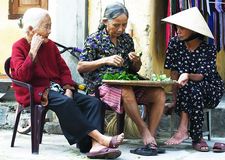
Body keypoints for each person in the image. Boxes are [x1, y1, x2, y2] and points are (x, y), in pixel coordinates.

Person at [10, 8, 124, 159]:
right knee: (65, 102)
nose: (50, 30)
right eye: (46, 26)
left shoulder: (50, 46)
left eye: (50, 26)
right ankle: (100, 140)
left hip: (57, 89)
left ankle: (90, 145)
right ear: (31, 29)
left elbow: (64, 70)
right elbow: (21, 76)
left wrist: (69, 88)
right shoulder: (19, 46)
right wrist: (32, 52)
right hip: (36, 91)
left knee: (94, 102)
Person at [77, 2, 166, 156]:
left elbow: (134, 69)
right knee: (125, 90)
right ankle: (144, 131)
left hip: (126, 84)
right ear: (105, 21)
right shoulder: (94, 40)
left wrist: (136, 61)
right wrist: (105, 60)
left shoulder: (126, 40)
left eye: (124, 25)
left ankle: (150, 142)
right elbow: (81, 67)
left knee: (159, 93)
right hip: (101, 86)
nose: (121, 29)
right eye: (116, 25)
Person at [162, 7, 224, 152]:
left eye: (182, 28)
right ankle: (197, 138)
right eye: (177, 27)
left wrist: (188, 75)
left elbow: (202, 75)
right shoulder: (174, 44)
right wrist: (175, 101)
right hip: (186, 90)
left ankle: (183, 131)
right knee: (190, 88)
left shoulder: (208, 49)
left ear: (194, 31)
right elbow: (174, 74)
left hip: (211, 89)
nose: (178, 31)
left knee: (193, 87)